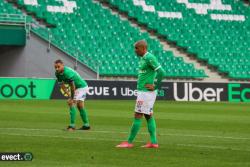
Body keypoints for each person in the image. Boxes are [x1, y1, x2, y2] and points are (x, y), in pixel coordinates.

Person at [116, 40, 165, 148]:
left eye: (136, 48)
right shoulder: (143, 59)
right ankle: (153, 142)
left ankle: (129, 142)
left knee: (138, 115)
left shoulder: (149, 57)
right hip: (144, 92)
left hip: (146, 93)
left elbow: (161, 72)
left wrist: (155, 86)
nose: (135, 50)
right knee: (148, 116)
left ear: (143, 48)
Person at [54, 59, 90, 131]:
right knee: (80, 106)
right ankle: (86, 125)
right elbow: (62, 85)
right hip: (78, 87)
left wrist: (72, 98)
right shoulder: (57, 74)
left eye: (58, 66)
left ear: (62, 65)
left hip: (81, 87)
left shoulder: (67, 73)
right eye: (55, 67)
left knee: (71, 103)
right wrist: (68, 94)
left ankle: (72, 126)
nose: (57, 68)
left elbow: (72, 86)